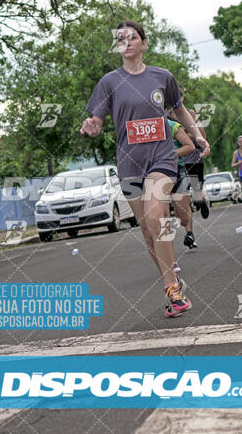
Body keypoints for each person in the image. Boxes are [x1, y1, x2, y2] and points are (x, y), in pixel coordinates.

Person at [80, 20, 210, 317]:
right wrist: (92, 125)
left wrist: (197, 135)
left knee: (156, 215)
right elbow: (97, 122)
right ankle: (174, 279)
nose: (125, 41)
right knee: (148, 230)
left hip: (162, 158)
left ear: (144, 43)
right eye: (120, 38)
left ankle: (172, 290)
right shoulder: (109, 82)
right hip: (129, 163)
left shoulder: (162, 77)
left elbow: (179, 110)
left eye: (132, 36)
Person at [166, 111, 197, 250]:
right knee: (160, 214)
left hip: (178, 170)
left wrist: (169, 155)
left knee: (182, 218)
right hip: (157, 173)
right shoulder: (145, 129)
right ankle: (166, 253)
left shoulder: (172, 125)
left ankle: (189, 231)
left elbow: (190, 146)